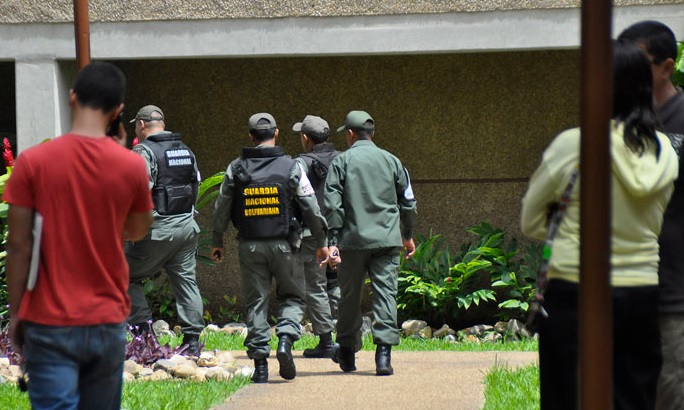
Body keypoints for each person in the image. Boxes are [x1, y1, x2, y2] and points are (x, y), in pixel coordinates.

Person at [521, 39, 679, 410]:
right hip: (641, 291)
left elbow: (530, 220)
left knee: (567, 397)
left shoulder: (573, 145)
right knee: (634, 399)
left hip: (575, 290)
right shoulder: (665, 150)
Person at [4, 61, 153, 409]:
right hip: (107, 318)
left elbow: (18, 245)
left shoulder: (33, 162)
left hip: (48, 320)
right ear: (118, 111)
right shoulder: (131, 165)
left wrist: (16, 313)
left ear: (72, 97)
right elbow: (137, 229)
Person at [211, 113, 329, 383]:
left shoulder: (236, 168)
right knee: (293, 297)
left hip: (250, 246)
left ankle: (261, 367)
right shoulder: (291, 166)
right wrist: (322, 242)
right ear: (276, 133)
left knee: (257, 303)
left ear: (251, 137)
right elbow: (311, 206)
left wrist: (217, 240)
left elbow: (221, 209)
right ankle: (285, 340)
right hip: (286, 245)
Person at [618, 21, 684, 410]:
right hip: (624, 293)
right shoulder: (616, 126)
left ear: (667, 66)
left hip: (674, 296)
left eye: (637, 61)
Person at [325, 110, 417, 376]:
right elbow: (408, 201)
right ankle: (383, 357)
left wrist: (332, 241)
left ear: (350, 134)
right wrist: (407, 234)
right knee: (386, 294)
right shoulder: (393, 161)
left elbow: (332, 206)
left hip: (352, 241)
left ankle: (347, 352)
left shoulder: (341, 162)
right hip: (387, 241)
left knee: (350, 297)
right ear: (372, 134)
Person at [126, 105, 205, 355]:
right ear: (162, 122)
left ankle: (144, 333)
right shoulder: (185, 150)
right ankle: (193, 342)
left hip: (158, 230)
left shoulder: (143, 151)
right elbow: (195, 185)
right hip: (186, 227)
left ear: (141, 124)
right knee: (186, 281)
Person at [292, 115, 341, 358]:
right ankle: (346, 335)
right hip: (341, 232)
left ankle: (326, 342)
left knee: (315, 285)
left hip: (314, 234)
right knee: (335, 282)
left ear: (305, 138)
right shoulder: (343, 158)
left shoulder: (301, 162)